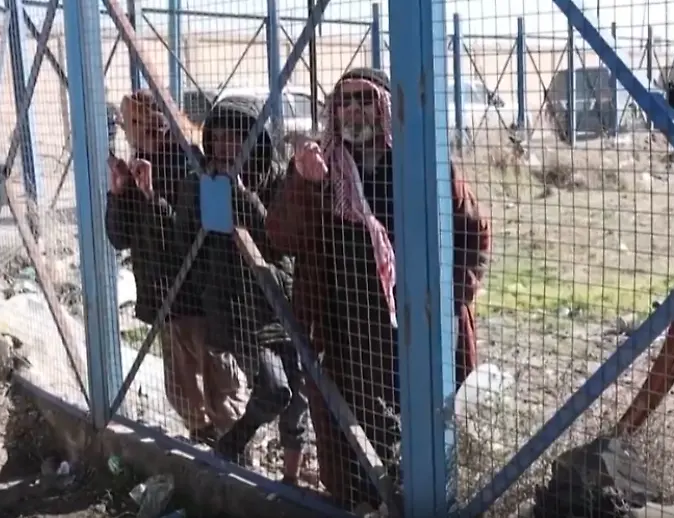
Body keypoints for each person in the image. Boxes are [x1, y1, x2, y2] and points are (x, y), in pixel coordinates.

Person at [265, 68, 491, 510]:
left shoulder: (422, 163)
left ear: (386, 109)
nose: (354, 110)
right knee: (350, 430)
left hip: (415, 327)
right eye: (345, 101)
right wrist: (304, 183)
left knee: (422, 426)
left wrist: (452, 298)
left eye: (365, 100)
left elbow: (474, 233)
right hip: (343, 328)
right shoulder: (319, 167)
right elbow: (280, 237)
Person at [173, 94, 308, 483]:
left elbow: (279, 240)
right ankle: (232, 445)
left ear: (254, 140)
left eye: (235, 138)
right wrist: (206, 196)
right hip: (235, 309)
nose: (225, 147)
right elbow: (185, 241)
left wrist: (243, 196)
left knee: (297, 397)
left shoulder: (277, 179)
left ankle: (290, 481)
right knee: (274, 388)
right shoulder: (199, 182)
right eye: (218, 138)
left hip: (280, 299)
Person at [106, 90, 246, 444]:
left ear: (166, 120)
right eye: (133, 123)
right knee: (181, 386)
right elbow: (119, 238)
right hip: (162, 292)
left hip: (199, 293)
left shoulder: (191, 164)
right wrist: (119, 193)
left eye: (148, 120)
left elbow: (186, 239)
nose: (142, 129)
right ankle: (204, 441)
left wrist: (152, 196)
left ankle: (236, 447)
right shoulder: (138, 164)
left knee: (219, 383)